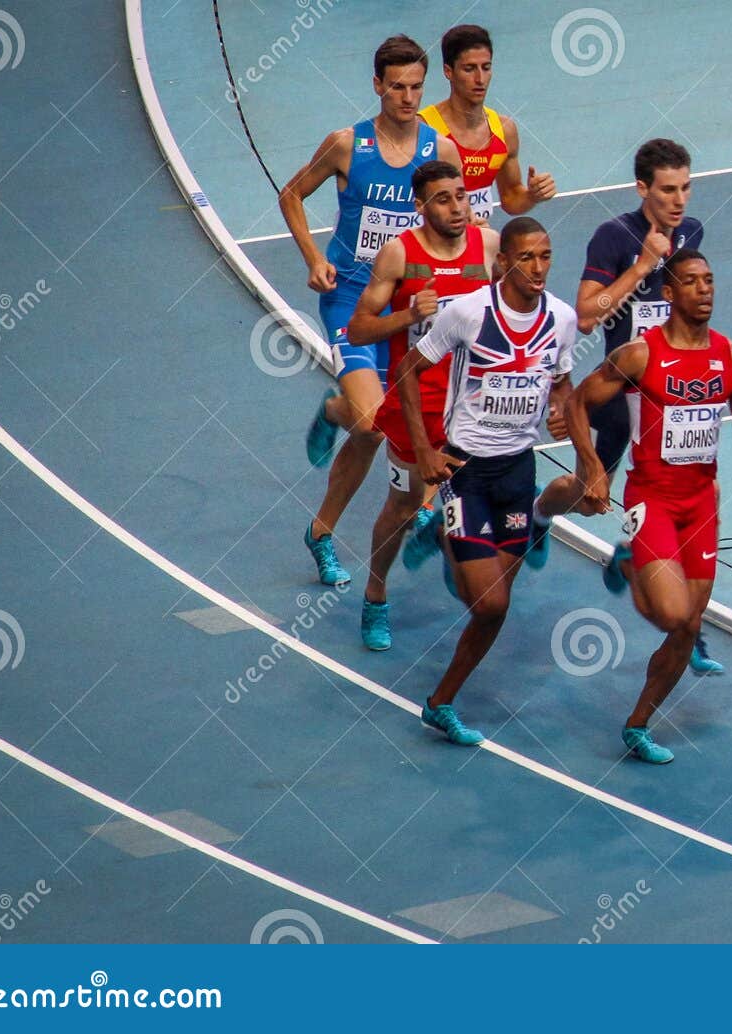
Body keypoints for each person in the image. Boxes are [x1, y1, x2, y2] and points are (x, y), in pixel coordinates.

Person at [567, 250, 732, 764]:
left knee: (688, 626)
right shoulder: (641, 354)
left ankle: (638, 723)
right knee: (672, 615)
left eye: (710, 280)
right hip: (653, 498)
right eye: (692, 282)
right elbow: (577, 401)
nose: (705, 290)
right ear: (669, 293)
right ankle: (631, 561)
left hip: (702, 502)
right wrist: (592, 465)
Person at [532, 138, 724, 674]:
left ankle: (688, 627)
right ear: (642, 189)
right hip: (621, 392)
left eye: (686, 187)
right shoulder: (613, 237)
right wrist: (641, 268)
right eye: (668, 189)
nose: (679, 199)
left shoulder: (692, 233)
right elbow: (588, 314)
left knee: (688, 497)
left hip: (669, 397)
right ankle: (540, 514)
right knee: (589, 496)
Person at [277, 35, 458, 588]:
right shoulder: (347, 145)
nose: (407, 97)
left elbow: (459, 225)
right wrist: (313, 258)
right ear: (377, 86)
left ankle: (324, 532)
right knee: (369, 425)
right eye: (397, 86)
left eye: (416, 87)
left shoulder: (440, 151)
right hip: (350, 299)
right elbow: (291, 195)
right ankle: (339, 412)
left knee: (427, 424)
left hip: (409, 307)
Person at [394, 217, 578, 745]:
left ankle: (440, 703)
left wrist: (563, 413)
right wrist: (425, 450)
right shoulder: (469, 312)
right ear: (503, 265)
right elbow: (409, 370)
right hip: (465, 470)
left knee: (493, 605)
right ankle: (450, 537)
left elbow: (563, 384)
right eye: (527, 258)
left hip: (520, 469)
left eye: (545, 256)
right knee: (492, 604)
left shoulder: (561, 320)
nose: (538, 267)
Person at [344, 160, 500, 650]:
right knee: (405, 504)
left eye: (461, 195)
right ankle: (375, 592)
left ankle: (462, 559)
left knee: (481, 501)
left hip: (474, 407)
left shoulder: (488, 245)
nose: (458, 206)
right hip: (416, 405)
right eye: (444, 199)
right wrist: (410, 315)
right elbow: (359, 329)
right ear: (420, 205)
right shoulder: (398, 254)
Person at [418, 24, 556, 225]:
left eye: (486, 67)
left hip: (477, 245)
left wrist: (532, 196)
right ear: (448, 71)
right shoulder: (423, 129)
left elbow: (510, 198)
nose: (480, 79)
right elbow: (407, 201)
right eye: (469, 69)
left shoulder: (504, 130)